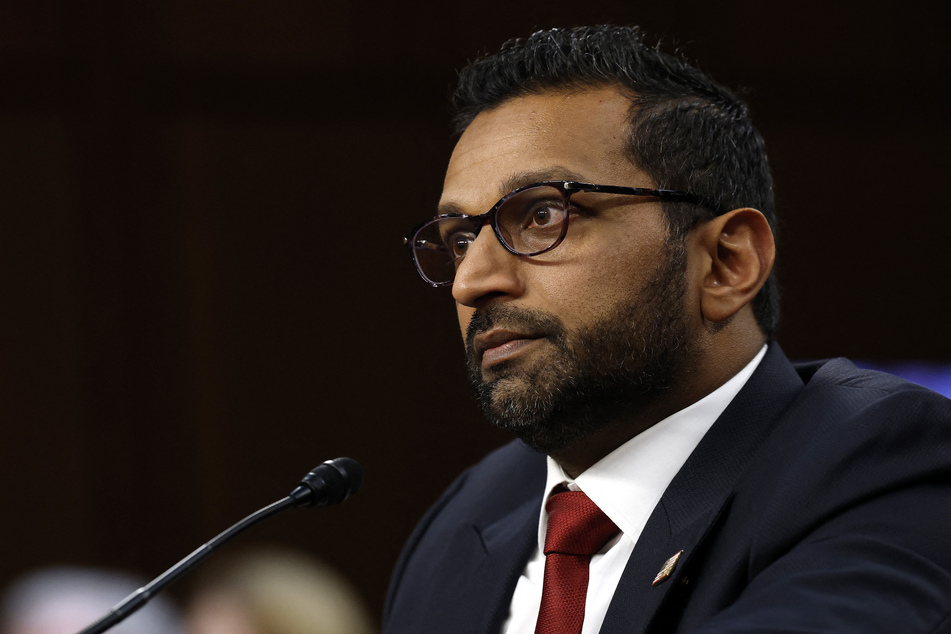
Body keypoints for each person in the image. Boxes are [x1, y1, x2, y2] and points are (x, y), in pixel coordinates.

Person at [383, 25, 951, 634]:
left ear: (726, 263)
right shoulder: (462, 525)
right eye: (461, 241)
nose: (472, 281)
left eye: (543, 214)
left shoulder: (881, 459)